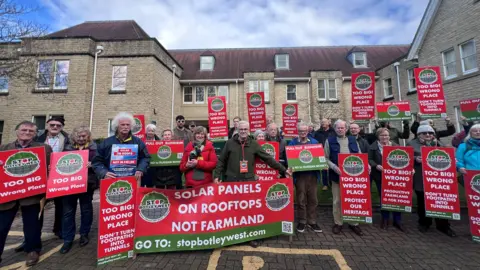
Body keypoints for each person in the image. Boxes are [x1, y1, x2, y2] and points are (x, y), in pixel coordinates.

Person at [213, 121, 289, 247]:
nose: (243, 131)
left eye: (245, 129)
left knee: (249, 211)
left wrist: (283, 169)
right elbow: (221, 160)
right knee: (232, 210)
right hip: (232, 181)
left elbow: (268, 158)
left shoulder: (254, 144)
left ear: (249, 130)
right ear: (237, 129)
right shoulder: (229, 143)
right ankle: (232, 235)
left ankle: (250, 236)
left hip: (248, 182)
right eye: (241, 129)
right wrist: (216, 176)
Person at [0, 121, 53, 266]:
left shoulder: (44, 148)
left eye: (31, 131)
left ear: (35, 134)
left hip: (32, 195)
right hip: (8, 194)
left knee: (32, 225)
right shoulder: (3, 148)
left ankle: (33, 250)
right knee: (2, 226)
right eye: (24, 129)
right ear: (17, 131)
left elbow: (51, 169)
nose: (27, 133)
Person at [407, 125, 455, 237]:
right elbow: (407, 157)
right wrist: (415, 159)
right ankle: (424, 223)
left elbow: (447, 156)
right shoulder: (412, 144)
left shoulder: (439, 143)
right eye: (424, 133)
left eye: (430, 132)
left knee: (440, 202)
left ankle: (443, 225)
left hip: (438, 180)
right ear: (419, 134)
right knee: (422, 202)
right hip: (421, 178)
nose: (428, 135)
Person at [60, 126, 97, 254]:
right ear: (74, 137)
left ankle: (84, 233)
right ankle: (68, 239)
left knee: (86, 209)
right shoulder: (67, 148)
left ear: (88, 136)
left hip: (87, 183)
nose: (81, 138)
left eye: (84, 136)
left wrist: (93, 164)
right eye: (79, 136)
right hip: (69, 184)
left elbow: (100, 162)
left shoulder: (94, 148)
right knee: (68, 212)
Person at [324, 119, 364, 236]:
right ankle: (338, 223)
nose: (340, 129)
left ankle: (353, 223)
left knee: (352, 198)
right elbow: (325, 158)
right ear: (335, 129)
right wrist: (334, 167)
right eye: (338, 128)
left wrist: (365, 165)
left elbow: (360, 155)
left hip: (352, 176)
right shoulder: (329, 141)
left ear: (346, 129)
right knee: (337, 200)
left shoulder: (353, 140)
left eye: (342, 128)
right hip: (337, 175)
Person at [35, 116, 71, 240]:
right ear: (47, 125)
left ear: (62, 127)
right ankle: (34, 234)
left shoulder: (68, 139)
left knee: (60, 205)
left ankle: (58, 230)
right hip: (41, 177)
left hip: (59, 176)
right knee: (38, 206)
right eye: (52, 125)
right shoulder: (37, 138)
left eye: (58, 125)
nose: (55, 127)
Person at [92, 112, 150, 186]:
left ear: (131, 126)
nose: (125, 127)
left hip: (133, 179)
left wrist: (140, 169)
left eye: (128, 125)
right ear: (117, 126)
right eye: (122, 124)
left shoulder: (138, 142)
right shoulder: (106, 143)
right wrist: (104, 172)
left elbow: (145, 158)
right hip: (111, 180)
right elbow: (96, 162)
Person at [288, 123, 322, 233]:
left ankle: (312, 221)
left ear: (308, 131)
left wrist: (322, 164)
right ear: (297, 131)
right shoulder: (293, 143)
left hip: (312, 174)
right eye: (301, 131)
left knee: (313, 199)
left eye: (305, 131)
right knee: (301, 198)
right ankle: (302, 221)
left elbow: (319, 157)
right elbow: (289, 158)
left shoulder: (314, 142)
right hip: (300, 175)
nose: (303, 133)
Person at [368, 128, 404, 231]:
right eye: (382, 135)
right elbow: (369, 159)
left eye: (386, 135)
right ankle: (385, 218)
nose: (384, 137)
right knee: (384, 197)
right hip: (380, 176)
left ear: (390, 136)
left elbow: (404, 158)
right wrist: (376, 165)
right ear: (378, 137)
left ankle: (397, 220)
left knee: (396, 197)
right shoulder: (373, 147)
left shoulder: (396, 146)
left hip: (394, 177)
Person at [313, 118, 335, 191]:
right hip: (321, 152)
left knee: (332, 168)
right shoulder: (317, 132)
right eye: (322, 122)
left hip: (332, 152)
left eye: (324, 122)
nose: (323, 123)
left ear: (329, 123)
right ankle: (325, 184)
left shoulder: (333, 131)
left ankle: (332, 183)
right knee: (324, 169)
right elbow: (313, 140)